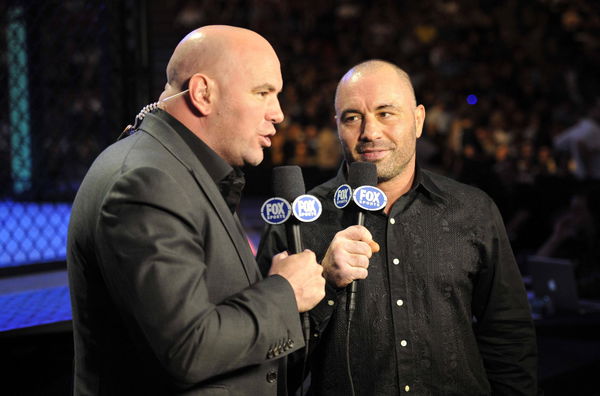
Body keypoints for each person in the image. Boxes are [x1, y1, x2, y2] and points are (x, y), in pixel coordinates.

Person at [67, 25, 325, 396]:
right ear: (203, 93)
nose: (279, 113)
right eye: (263, 93)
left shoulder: (177, 165)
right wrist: (285, 291)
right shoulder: (147, 180)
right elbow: (187, 349)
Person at [257, 60, 538, 395]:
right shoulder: (298, 225)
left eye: (386, 113)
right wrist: (325, 283)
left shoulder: (473, 210)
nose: (370, 133)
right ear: (336, 125)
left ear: (418, 120)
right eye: (352, 117)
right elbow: (269, 368)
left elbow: (509, 338)